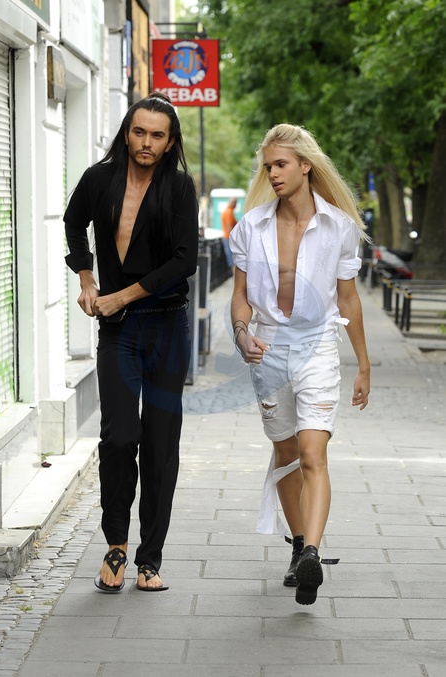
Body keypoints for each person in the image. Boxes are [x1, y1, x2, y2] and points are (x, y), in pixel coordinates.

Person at [229, 123, 370, 605]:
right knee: (286, 454)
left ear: (306, 165)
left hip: (318, 347)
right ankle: (297, 548)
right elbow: (240, 297)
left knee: (313, 454)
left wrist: (364, 365)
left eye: (281, 164)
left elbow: (348, 299)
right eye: (268, 166)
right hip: (268, 349)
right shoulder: (251, 227)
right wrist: (241, 333)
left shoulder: (339, 227)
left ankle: (312, 552)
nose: (272, 173)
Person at [64, 91, 199, 593]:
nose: (146, 142)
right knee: (119, 437)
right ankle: (116, 545)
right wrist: (87, 279)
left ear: (170, 142)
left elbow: (185, 260)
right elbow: (73, 222)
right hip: (118, 331)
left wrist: (122, 295)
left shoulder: (179, 188)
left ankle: (150, 558)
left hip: (166, 326)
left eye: (157, 135)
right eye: (139, 132)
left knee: (160, 444)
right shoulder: (99, 179)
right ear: (127, 133)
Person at [221, 197, 238, 273]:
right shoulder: (228, 212)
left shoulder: (228, 211)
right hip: (228, 239)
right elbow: (229, 227)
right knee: (233, 260)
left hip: (228, 238)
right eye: (236, 203)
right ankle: (235, 277)